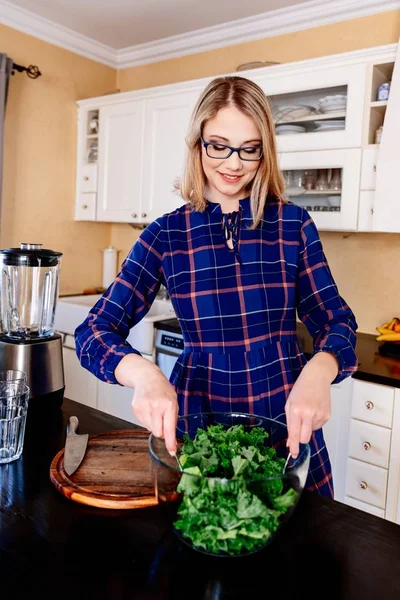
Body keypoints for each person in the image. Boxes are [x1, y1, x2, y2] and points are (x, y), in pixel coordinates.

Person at [75, 76, 358, 498]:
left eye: (249, 149)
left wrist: (320, 369)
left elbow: (337, 321)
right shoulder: (165, 235)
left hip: (283, 424)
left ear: (265, 151)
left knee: (301, 557)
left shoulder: (294, 225)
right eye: (218, 145)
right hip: (200, 430)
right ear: (198, 143)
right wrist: (143, 374)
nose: (233, 163)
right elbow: (93, 332)